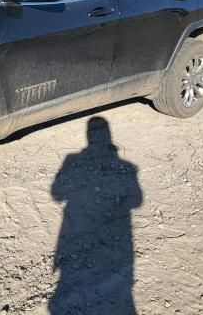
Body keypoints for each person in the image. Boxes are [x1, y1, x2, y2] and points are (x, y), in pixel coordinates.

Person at [50, 116, 142, 314]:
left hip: (77, 232)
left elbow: (56, 193)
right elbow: (137, 201)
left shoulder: (72, 160)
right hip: (117, 241)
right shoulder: (128, 167)